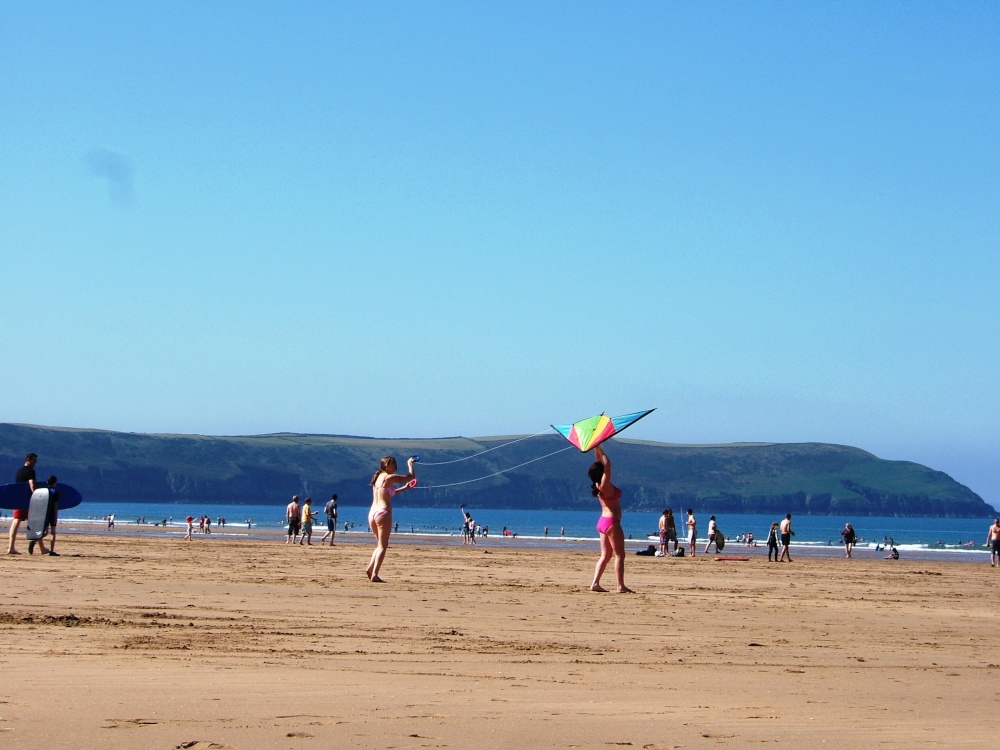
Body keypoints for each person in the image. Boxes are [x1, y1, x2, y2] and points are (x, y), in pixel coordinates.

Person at [588, 445, 632, 593]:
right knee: (620, 555)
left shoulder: (597, 483)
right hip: (612, 523)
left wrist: (596, 447)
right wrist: (599, 446)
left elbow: (600, 462)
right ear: (602, 474)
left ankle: (595, 583)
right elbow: (607, 464)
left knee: (606, 555)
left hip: (602, 522)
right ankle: (620, 586)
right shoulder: (604, 485)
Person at [366, 456, 416, 583]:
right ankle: (375, 574)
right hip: (383, 513)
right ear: (387, 465)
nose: (395, 467)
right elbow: (411, 476)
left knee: (379, 544)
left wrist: (405, 488)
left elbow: (389, 493)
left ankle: (371, 569)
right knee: (383, 545)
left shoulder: (378, 478)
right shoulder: (389, 477)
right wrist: (410, 463)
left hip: (372, 513)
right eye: (393, 465)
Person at [7, 453, 38, 555]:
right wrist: (37, 496)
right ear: (28, 460)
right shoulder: (30, 471)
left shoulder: (19, 471)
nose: (35, 463)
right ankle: (11, 548)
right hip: (28, 501)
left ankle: (11, 547)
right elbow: (32, 485)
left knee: (18, 522)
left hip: (18, 500)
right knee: (33, 524)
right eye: (34, 461)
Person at [30, 475, 60, 556]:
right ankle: (52, 550)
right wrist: (56, 516)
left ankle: (34, 541)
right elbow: (55, 505)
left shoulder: (44, 491)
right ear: (55, 483)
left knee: (45, 532)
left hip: (44, 513)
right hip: (52, 513)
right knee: (53, 532)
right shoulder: (55, 492)